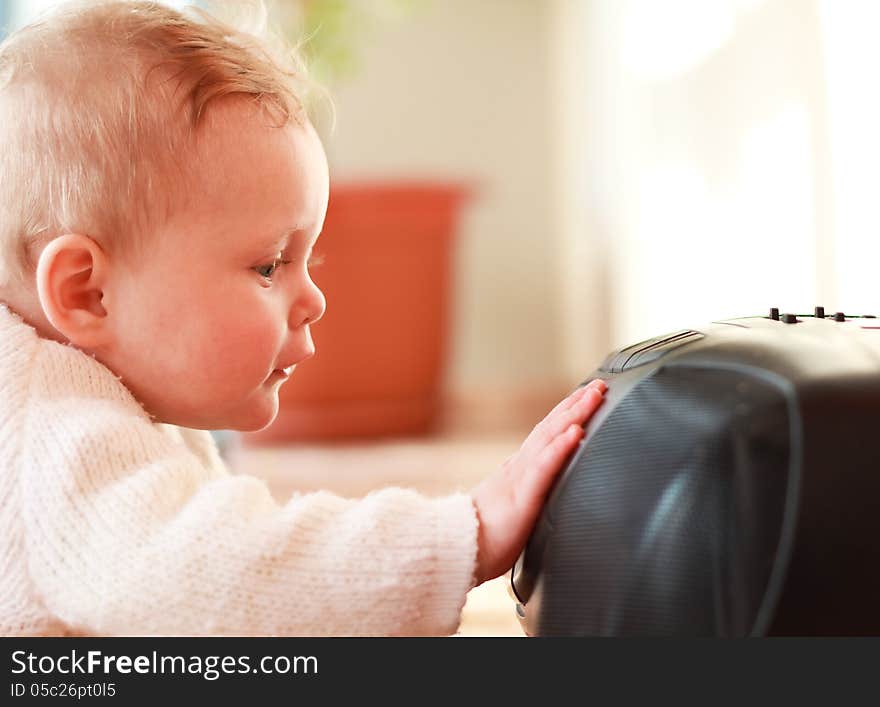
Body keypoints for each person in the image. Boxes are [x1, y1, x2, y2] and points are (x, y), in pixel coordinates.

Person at [0, 0, 606, 636]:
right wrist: (465, 536)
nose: (313, 297)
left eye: (306, 259)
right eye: (268, 265)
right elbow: (229, 577)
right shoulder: (57, 438)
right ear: (88, 293)